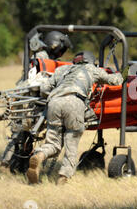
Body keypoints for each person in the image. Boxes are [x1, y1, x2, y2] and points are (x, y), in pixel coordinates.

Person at [26, 51, 124, 185]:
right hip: (75, 101)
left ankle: (39, 156)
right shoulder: (92, 69)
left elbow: (44, 88)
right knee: (71, 141)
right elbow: (116, 81)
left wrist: (56, 95)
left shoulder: (62, 69)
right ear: (91, 61)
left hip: (54, 102)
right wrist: (122, 72)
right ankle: (63, 177)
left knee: (53, 143)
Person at [0, 31, 73, 172]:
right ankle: (5, 164)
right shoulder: (41, 57)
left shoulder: (44, 57)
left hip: (29, 97)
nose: (62, 53)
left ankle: (12, 162)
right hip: (28, 99)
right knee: (19, 133)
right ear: (54, 46)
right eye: (61, 49)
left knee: (22, 134)